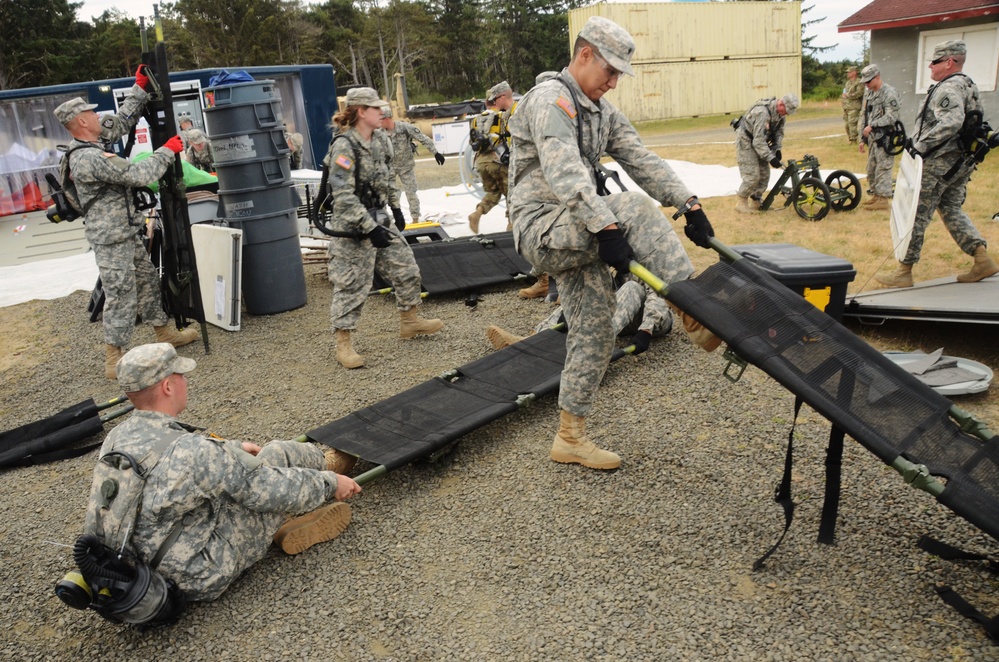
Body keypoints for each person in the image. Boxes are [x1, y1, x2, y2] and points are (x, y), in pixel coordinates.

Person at [508, 15, 714, 471]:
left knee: (597, 329)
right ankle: (696, 307)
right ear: (584, 56)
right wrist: (606, 226)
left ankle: (570, 437)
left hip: (577, 224)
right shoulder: (551, 101)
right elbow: (566, 174)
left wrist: (688, 203)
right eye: (611, 71)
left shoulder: (600, 109)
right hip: (542, 227)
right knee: (635, 208)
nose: (615, 82)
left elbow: (639, 157)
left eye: (620, 73)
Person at [84, 343, 361, 603]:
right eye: (181, 375)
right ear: (167, 386)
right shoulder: (195, 451)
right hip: (199, 573)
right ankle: (327, 469)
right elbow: (267, 489)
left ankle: (309, 489)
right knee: (277, 456)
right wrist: (328, 484)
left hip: (137, 568)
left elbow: (168, 464)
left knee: (243, 475)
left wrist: (230, 449)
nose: (186, 381)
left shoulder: (118, 437)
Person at [54, 67, 198, 381]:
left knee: (146, 279)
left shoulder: (92, 143)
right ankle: (113, 358)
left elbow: (118, 125)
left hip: (123, 230)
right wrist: (167, 151)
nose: (96, 116)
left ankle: (165, 333)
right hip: (110, 236)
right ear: (81, 122)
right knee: (120, 293)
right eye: (90, 114)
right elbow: (137, 175)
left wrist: (139, 88)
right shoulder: (87, 157)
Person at [324, 88, 444, 369]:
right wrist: (368, 227)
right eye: (376, 108)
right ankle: (344, 344)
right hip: (352, 228)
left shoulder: (380, 138)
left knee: (406, 268)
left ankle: (410, 321)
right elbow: (342, 196)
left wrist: (396, 206)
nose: (382, 112)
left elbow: (387, 175)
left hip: (379, 220)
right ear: (361, 111)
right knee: (351, 285)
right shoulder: (344, 145)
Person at [875, 40, 999, 288]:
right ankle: (981, 259)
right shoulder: (968, 85)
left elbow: (951, 122)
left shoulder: (948, 88)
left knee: (917, 213)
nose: (930, 66)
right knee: (951, 208)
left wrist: (920, 146)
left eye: (936, 61)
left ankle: (904, 271)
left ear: (950, 62)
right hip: (960, 161)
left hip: (940, 162)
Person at [486, 278, 672, 353]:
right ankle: (534, 339)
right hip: (619, 315)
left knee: (632, 287)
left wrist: (647, 328)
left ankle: (594, 348)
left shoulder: (647, 252)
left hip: (652, 318)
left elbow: (659, 296)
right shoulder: (611, 248)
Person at [734, 92, 799, 213]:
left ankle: (756, 201)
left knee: (764, 175)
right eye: (787, 110)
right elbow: (758, 141)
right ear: (781, 103)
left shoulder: (781, 115)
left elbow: (779, 133)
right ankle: (741, 202)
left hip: (760, 142)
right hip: (746, 141)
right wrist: (771, 158)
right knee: (752, 175)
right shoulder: (762, 113)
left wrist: (777, 149)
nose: (787, 114)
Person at [379, 104, 444, 224]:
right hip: (390, 168)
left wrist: (436, 153)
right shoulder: (379, 132)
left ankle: (415, 219)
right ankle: (386, 220)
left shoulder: (404, 128)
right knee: (388, 194)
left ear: (386, 119)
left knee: (411, 193)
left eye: (380, 119)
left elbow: (422, 138)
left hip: (406, 166)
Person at [467, 81, 514, 234]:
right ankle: (511, 225)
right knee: (511, 194)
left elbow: (471, 142)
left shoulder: (476, 119)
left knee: (493, 192)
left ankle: (477, 213)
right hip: (498, 162)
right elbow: (509, 136)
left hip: (481, 163)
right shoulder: (502, 117)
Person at [857, 64, 900, 211]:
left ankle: (883, 199)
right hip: (873, 139)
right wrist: (862, 138)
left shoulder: (889, 93)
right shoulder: (869, 94)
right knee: (872, 168)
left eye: (869, 81)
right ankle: (876, 195)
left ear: (877, 77)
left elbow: (892, 116)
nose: (867, 85)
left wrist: (873, 125)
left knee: (883, 168)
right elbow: (865, 115)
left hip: (885, 138)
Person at [841, 66, 864, 144]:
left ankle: (854, 140)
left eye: (849, 72)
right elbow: (845, 93)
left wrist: (848, 95)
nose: (848, 73)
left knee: (852, 124)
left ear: (854, 72)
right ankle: (850, 138)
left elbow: (859, 93)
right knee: (847, 125)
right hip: (847, 107)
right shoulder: (848, 83)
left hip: (854, 107)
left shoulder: (859, 82)